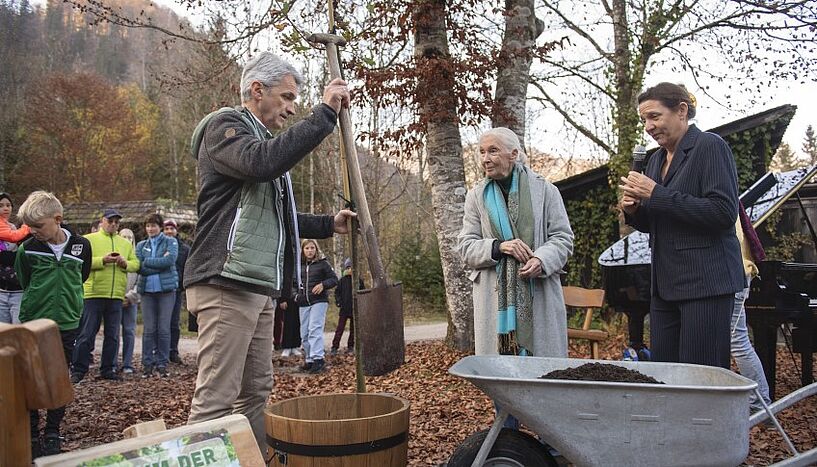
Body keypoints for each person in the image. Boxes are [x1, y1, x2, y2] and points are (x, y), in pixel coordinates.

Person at [184, 51, 355, 450]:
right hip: (226, 280)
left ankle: (253, 458)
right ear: (257, 90)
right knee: (215, 399)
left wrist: (329, 223)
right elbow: (264, 163)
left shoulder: (259, 142)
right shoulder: (224, 128)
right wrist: (324, 114)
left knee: (256, 391)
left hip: (257, 285)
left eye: (296, 100)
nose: (292, 108)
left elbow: (279, 215)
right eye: (287, 97)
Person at [619, 82, 744, 369]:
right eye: (643, 120)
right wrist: (635, 211)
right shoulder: (655, 161)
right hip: (665, 285)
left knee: (700, 377)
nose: (648, 127)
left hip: (706, 284)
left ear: (682, 111)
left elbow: (723, 212)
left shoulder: (710, 147)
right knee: (666, 375)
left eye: (654, 116)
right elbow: (658, 222)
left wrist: (655, 194)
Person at [458, 127, 574, 358]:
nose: (485, 159)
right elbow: (465, 246)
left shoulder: (546, 191)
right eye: (481, 152)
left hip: (539, 294)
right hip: (494, 299)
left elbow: (563, 238)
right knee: (500, 374)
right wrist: (498, 246)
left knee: (543, 373)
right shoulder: (476, 196)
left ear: (513, 154)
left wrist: (542, 259)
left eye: (493, 151)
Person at [14, 191, 91, 457]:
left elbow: (82, 276)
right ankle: (32, 431)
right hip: (34, 322)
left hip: (67, 322)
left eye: (37, 226)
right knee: (31, 377)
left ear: (57, 219)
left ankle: (53, 430)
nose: (32, 231)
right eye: (28, 226)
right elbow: (25, 279)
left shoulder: (82, 246)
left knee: (59, 377)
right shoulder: (28, 248)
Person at [72, 208, 140, 383]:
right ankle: (78, 369)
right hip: (93, 293)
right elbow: (80, 263)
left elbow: (136, 264)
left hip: (116, 294)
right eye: (110, 221)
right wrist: (102, 260)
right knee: (87, 333)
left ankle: (108, 368)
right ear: (102, 221)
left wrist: (125, 263)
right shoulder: (89, 240)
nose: (113, 224)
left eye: (117, 222)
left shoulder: (124, 243)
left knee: (112, 335)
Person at [733, 207, 771, 411]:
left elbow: (737, 241)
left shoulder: (725, 198)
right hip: (737, 274)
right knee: (737, 341)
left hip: (736, 274)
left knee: (738, 342)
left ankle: (760, 403)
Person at [136, 213, 178, 378]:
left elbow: (170, 261)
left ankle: (162, 363)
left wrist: (148, 262)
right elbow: (139, 266)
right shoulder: (140, 245)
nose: (150, 229)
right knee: (149, 329)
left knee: (163, 328)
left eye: (153, 225)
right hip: (147, 292)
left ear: (160, 227)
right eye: (148, 226)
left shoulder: (171, 241)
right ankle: (147, 364)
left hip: (166, 291)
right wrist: (158, 262)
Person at [296, 239, 338, 373]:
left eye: (312, 248)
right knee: (304, 333)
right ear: (303, 250)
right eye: (307, 248)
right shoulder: (298, 266)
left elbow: (334, 279)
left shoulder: (323, 264)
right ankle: (309, 359)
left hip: (319, 301)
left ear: (316, 249)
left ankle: (318, 359)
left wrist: (323, 285)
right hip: (303, 302)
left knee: (315, 328)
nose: (310, 251)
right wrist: (295, 296)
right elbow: (291, 283)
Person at [163, 218, 190, 364]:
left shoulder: (184, 249)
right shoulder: (159, 246)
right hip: (161, 289)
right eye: (166, 229)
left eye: (171, 229)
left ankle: (173, 351)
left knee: (174, 322)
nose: (169, 231)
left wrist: (182, 285)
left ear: (176, 230)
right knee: (161, 323)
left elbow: (187, 269)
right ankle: (160, 351)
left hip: (176, 289)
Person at [0, 192, 30, 324]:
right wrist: (26, 227)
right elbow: (14, 237)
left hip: (18, 291)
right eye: (1, 205)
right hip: (2, 290)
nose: (6, 208)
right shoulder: (6, 227)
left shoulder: (11, 226)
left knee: (17, 332)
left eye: (8, 205)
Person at [118, 228, 140, 375]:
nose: (127, 239)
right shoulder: (114, 256)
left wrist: (130, 296)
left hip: (131, 301)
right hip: (115, 299)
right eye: (124, 236)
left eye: (130, 237)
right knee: (112, 333)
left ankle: (127, 364)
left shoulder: (136, 258)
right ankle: (111, 363)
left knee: (129, 331)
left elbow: (140, 281)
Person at [331, 258, 363, 355]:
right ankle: (335, 346)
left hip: (354, 308)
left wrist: (361, 303)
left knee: (353, 329)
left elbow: (363, 292)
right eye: (348, 267)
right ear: (345, 269)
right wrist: (338, 302)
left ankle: (350, 346)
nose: (350, 270)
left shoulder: (359, 281)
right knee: (340, 328)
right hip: (344, 308)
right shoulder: (342, 280)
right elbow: (337, 293)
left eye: (352, 268)